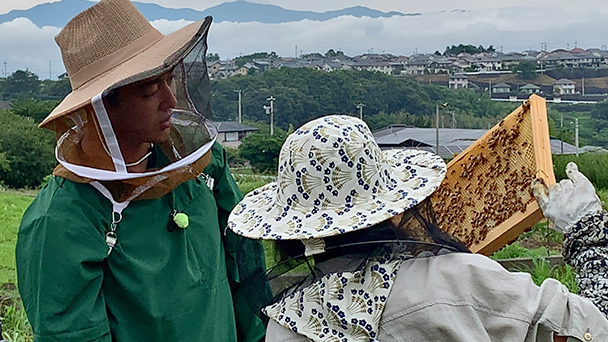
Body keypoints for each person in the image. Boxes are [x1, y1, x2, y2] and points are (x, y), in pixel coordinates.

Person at [228, 115, 608, 342]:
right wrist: (588, 232)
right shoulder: (457, 281)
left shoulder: (286, 327)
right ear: (392, 205)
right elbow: (595, 329)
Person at [16, 0, 266, 341]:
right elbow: (73, 334)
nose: (170, 100)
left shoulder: (201, 166)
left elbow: (246, 273)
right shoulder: (63, 220)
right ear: (102, 106)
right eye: (150, 90)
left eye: (169, 81)